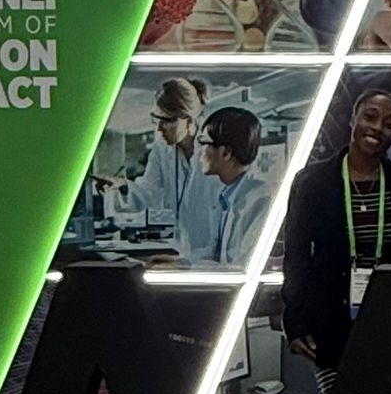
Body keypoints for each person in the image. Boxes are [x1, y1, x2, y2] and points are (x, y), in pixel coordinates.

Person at [282, 89, 391, 394]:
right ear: (352, 119)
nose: (378, 128)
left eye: (390, 124)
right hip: (329, 322)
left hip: (388, 321)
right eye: (370, 117)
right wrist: (295, 322)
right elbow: (296, 255)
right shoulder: (313, 182)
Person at [95, 78, 219, 258]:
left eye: (166, 120)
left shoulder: (213, 147)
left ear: (188, 119)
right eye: (156, 119)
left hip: (216, 248)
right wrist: (123, 185)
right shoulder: (163, 146)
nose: (160, 129)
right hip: (184, 246)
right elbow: (150, 191)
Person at [196, 107, 273, 266]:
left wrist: (188, 267)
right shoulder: (227, 195)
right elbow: (216, 253)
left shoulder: (260, 200)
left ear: (226, 153)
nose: (199, 152)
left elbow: (242, 268)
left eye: (203, 143)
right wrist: (180, 263)